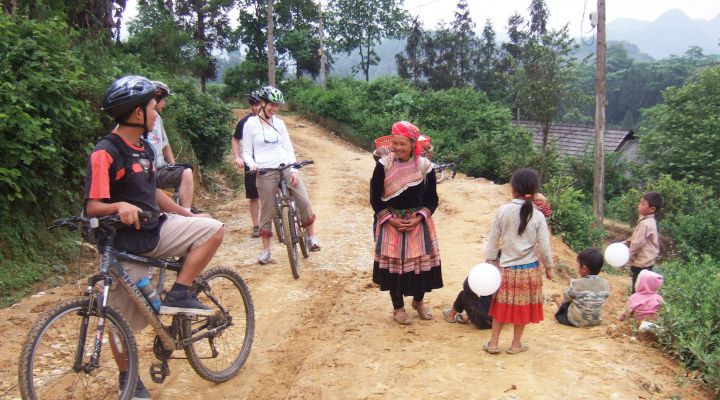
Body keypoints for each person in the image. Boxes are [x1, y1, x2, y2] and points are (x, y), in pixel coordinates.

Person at [87, 75, 225, 398]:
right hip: (123, 245)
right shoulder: (105, 153)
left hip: (157, 230)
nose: (156, 114)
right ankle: (128, 378)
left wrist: (187, 214)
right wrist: (118, 206)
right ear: (138, 113)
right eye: (153, 108)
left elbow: (153, 193)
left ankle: (180, 290)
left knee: (214, 228)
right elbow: (93, 205)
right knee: (117, 319)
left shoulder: (146, 148)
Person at [370, 121, 443, 325]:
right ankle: (398, 307)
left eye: (403, 144)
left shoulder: (424, 167)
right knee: (394, 268)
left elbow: (432, 199)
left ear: (413, 144)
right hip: (391, 222)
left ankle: (418, 302)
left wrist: (420, 217)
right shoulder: (384, 165)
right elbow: (375, 198)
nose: (397, 148)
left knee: (422, 267)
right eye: (394, 143)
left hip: (418, 224)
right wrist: (390, 219)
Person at [241, 86, 320, 264]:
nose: (274, 109)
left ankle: (311, 237)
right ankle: (266, 250)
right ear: (263, 103)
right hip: (264, 170)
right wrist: (252, 164)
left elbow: (288, 148)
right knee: (267, 211)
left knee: (303, 200)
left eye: (277, 106)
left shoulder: (280, 124)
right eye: (271, 105)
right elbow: (246, 152)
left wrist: (294, 169)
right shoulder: (250, 125)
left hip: (285, 166)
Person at [484, 168, 553, 354]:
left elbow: (493, 239)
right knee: (522, 309)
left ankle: (493, 343)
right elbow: (545, 246)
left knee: (500, 306)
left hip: (506, 269)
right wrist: (549, 267)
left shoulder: (503, 211)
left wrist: (490, 260)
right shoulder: (538, 215)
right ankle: (515, 345)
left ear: (513, 189)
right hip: (529, 270)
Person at [146, 80, 195, 212]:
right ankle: (182, 211)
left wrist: (173, 165)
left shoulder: (157, 119)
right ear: (156, 100)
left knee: (186, 170)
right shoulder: (140, 120)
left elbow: (165, 145)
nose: (165, 103)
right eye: (164, 100)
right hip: (145, 172)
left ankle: (185, 210)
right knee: (186, 172)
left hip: (160, 169)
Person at [553, 248, 611, 327]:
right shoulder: (606, 284)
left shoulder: (576, 283)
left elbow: (566, 298)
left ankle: (557, 300)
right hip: (596, 321)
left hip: (575, 321)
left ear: (584, 268)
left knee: (567, 303)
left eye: (578, 264)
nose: (577, 266)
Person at [231, 90, 262, 237]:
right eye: (255, 105)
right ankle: (256, 225)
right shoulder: (244, 122)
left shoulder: (271, 121)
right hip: (251, 162)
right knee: (254, 196)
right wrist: (238, 157)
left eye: (260, 104)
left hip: (268, 161)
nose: (258, 108)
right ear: (251, 106)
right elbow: (236, 139)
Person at [624, 192, 662, 293]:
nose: (639, 206)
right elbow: (635, 238)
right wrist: (626, 242)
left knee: (637, 289)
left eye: (643, 204)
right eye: (640, 203)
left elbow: (637, 244)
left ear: (652, 209)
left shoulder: (645, 224)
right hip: (646, 263)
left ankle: (636, 306)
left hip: (641, 264)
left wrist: (626, 257)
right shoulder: (647, 221)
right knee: (643, 288)